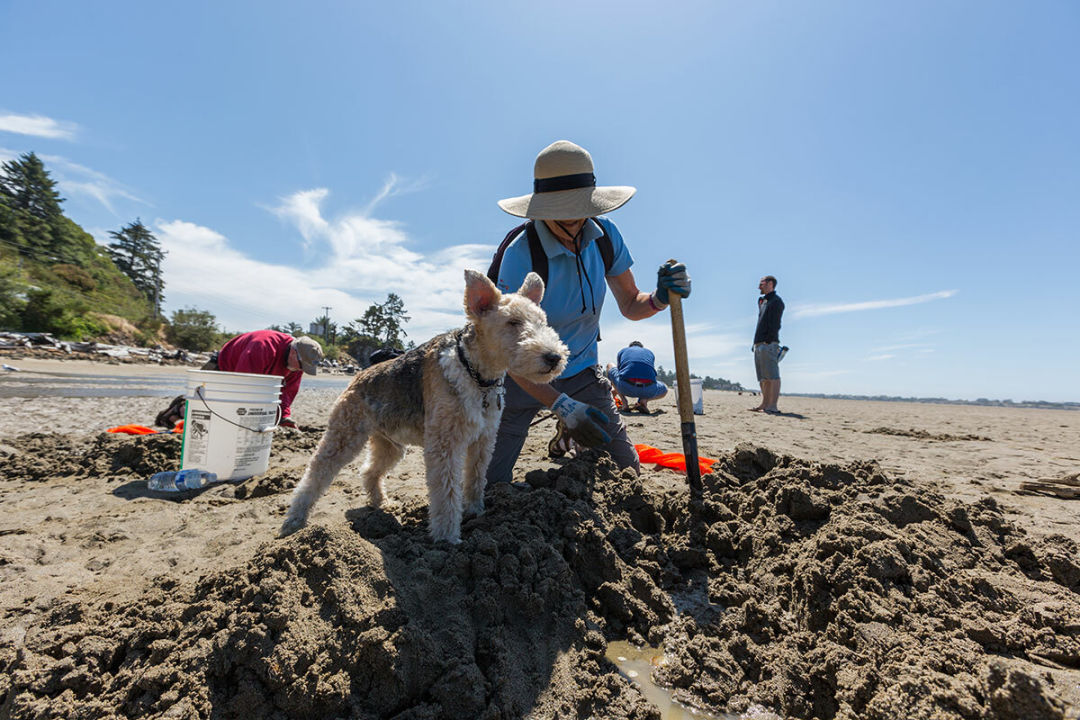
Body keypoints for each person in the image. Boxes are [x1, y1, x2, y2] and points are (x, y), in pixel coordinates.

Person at [487, 140, 690, 483]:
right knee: (486, 484)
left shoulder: (606, 236)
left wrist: (660, 297)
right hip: (519, 376)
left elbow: (631, 304)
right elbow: (506, 353)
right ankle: (567, 426)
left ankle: (568, 434)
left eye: (580, 206)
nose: (574, 218)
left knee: (625, 475)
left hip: (580, 368)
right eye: (561, 208)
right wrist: (564, 406)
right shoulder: (521, 252)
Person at [204, 330, 324, 428]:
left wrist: (283, 417)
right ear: (293, 352)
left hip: (250, 378)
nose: (301, 370)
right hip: (221, 370)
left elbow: (287, 392)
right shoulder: (263, 347)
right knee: (199, 407)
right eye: (302, 366)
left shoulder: (297, 365)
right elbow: (243, 386)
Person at [750, 275, 785, 414]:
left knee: (773, 376)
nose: (759, 286)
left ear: (770, 284)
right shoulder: (763, 301)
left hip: (769, 343)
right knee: (763, 377)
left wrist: (770, 341)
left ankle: (773, 405)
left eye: (762, 283)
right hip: (758, 343)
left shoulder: (776, 301)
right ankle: (764, 404)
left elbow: (775, 325)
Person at [606, 341, 668, 413]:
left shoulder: (623, 351)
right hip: (649, 389)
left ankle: (624, 402)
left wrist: (615, 391)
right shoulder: (649, 352)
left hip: (626, 387)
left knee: (610, 365)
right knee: (665, 389)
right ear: (642, 347)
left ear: (630, 347)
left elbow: (620, 374)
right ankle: (644, 400)